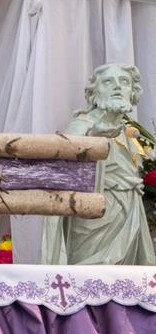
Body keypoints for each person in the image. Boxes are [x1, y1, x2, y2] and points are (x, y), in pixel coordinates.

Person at [41, 62, 156, 266]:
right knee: (90, 272)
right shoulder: (83, 123)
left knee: (123, 278)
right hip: (94, 214)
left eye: (124, 82)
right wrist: (92, 137)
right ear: (94, 94)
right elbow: (63, 160)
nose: (117, 86)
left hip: (128, 211)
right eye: (108, 82)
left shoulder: (128, 131)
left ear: (133, 92)